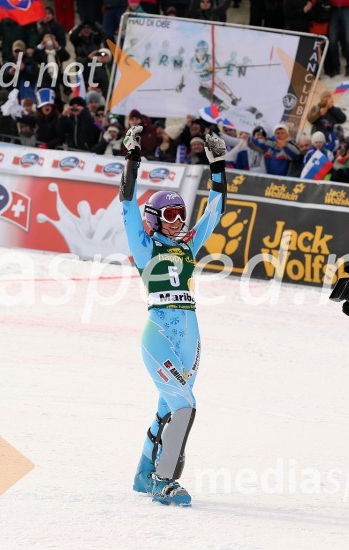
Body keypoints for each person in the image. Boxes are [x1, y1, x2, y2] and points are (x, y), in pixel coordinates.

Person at [121, 125, 227, 507]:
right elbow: (127, 205)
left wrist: (218, 167)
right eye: (170, 214)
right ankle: (164, 480)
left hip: (190, 334)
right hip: (160, 331)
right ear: (154, 218)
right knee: (184, 404)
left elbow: (214, 212)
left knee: (170, 405)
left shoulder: (188, 247)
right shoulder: (144, 247)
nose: (179, 220)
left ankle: (143, 474)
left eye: (181, 213)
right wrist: (132, 160)